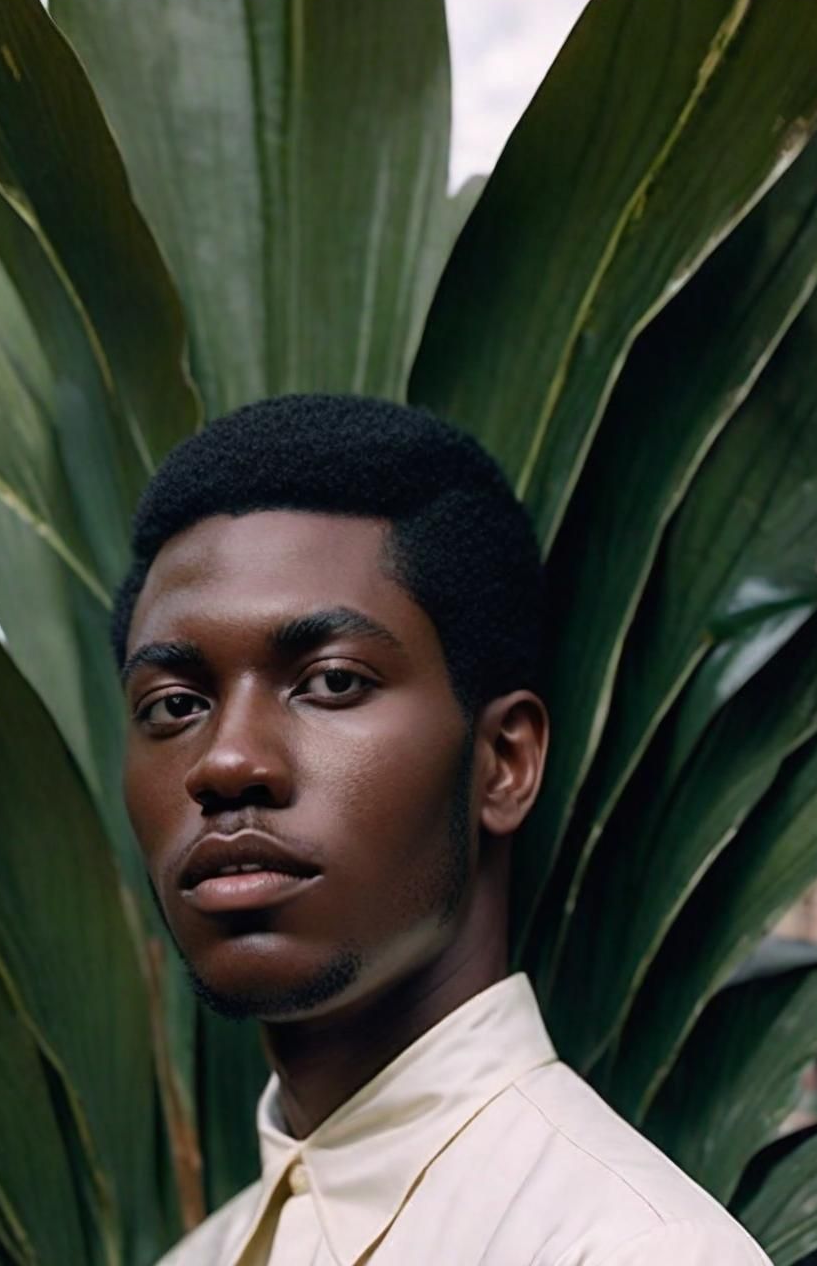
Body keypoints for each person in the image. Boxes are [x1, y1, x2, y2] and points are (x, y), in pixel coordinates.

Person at [111, 394, 769, 1265]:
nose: (226, 762)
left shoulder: (636, 1248)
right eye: (176, 704)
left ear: (503, 761)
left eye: (333, 682)